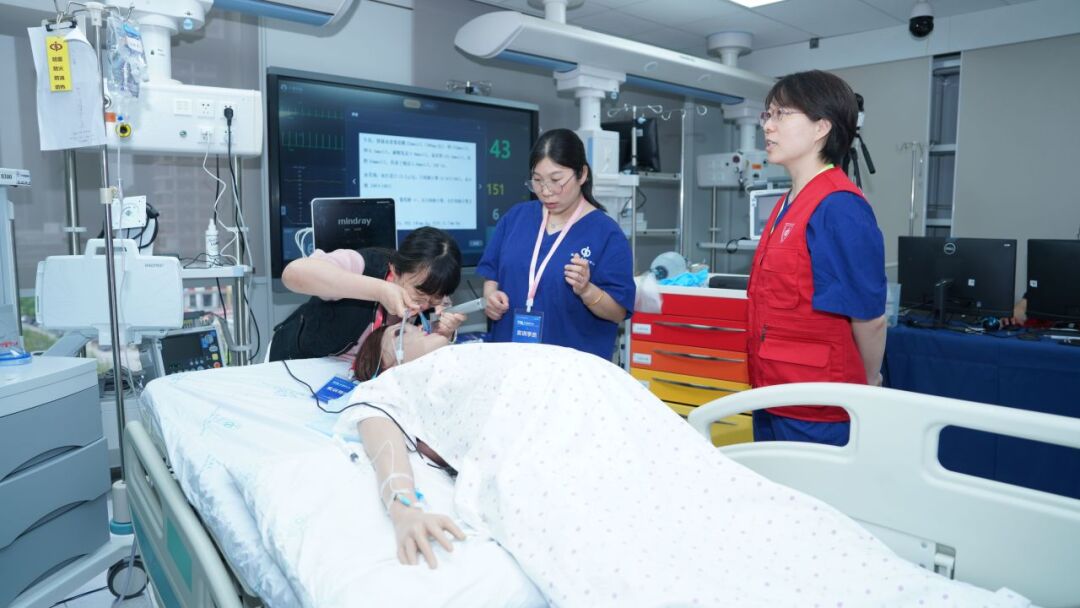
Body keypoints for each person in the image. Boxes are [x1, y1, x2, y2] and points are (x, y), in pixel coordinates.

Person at [747, 70, 887, 446]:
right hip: (772, 393)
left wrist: (868, 384)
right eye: (767, 115)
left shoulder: (838, 206)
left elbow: (869, 318)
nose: (768, 126)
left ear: (821, 127)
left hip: (817, 407)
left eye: (781, 114)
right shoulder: (787, 203)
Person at [477, 128, 635, 361]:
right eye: (537, 181)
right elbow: (492, 272)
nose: (546, 191)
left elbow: (618, 312)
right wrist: (490, 297)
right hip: (510, 358)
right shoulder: (516, 218)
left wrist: (587, 290)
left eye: (556, 180)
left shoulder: (606, 234)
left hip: (570, 368)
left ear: (582, 174)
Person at [268, 226, 466, 362]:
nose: (424, 305)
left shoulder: (433, 295)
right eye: (419, 294)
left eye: (435, 298)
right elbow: (293, 274)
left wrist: (443, 332)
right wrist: (379, 290)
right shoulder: (364, 264)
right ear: (395, 269)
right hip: (302, 360)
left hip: (357, 377)